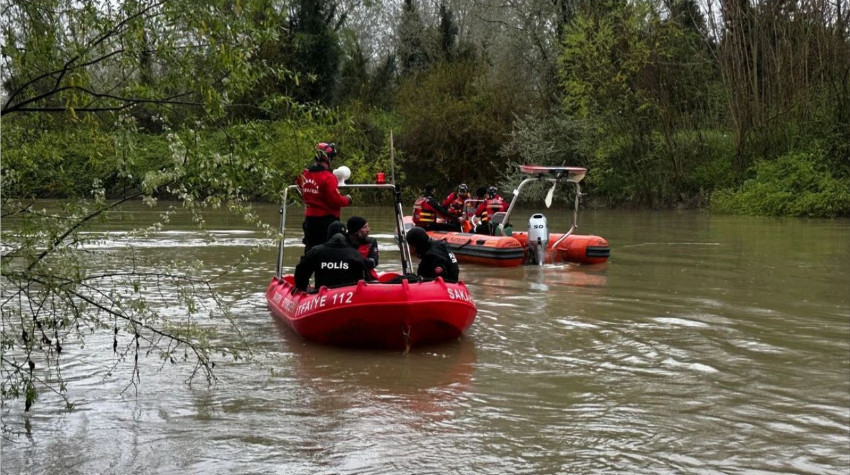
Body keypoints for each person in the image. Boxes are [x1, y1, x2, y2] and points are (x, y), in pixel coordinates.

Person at [296, 142, 353, 253]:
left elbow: (300, 186)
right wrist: (347, 199)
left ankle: (307, 268)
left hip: (309, 221)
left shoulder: (303, 174)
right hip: (326, 221)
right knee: (329, 251)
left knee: (310, 249)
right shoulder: (328, 177)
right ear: (327, 158)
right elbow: (335, 200)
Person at [294, 221, 369, 291]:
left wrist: (302, 290)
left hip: (320, 298)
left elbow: (301, 272)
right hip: (347, 296)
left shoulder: (315, 252)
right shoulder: (355, 254)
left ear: (329, 234)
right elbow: (363, 279)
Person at [346, 216, 380, 280]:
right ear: (355, 231)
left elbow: (374, 262)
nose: (368, 230)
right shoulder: (343, 242)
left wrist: (354, 261)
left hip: (366, 277)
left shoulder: (371, 242)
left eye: (367, 226)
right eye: (365, 227)